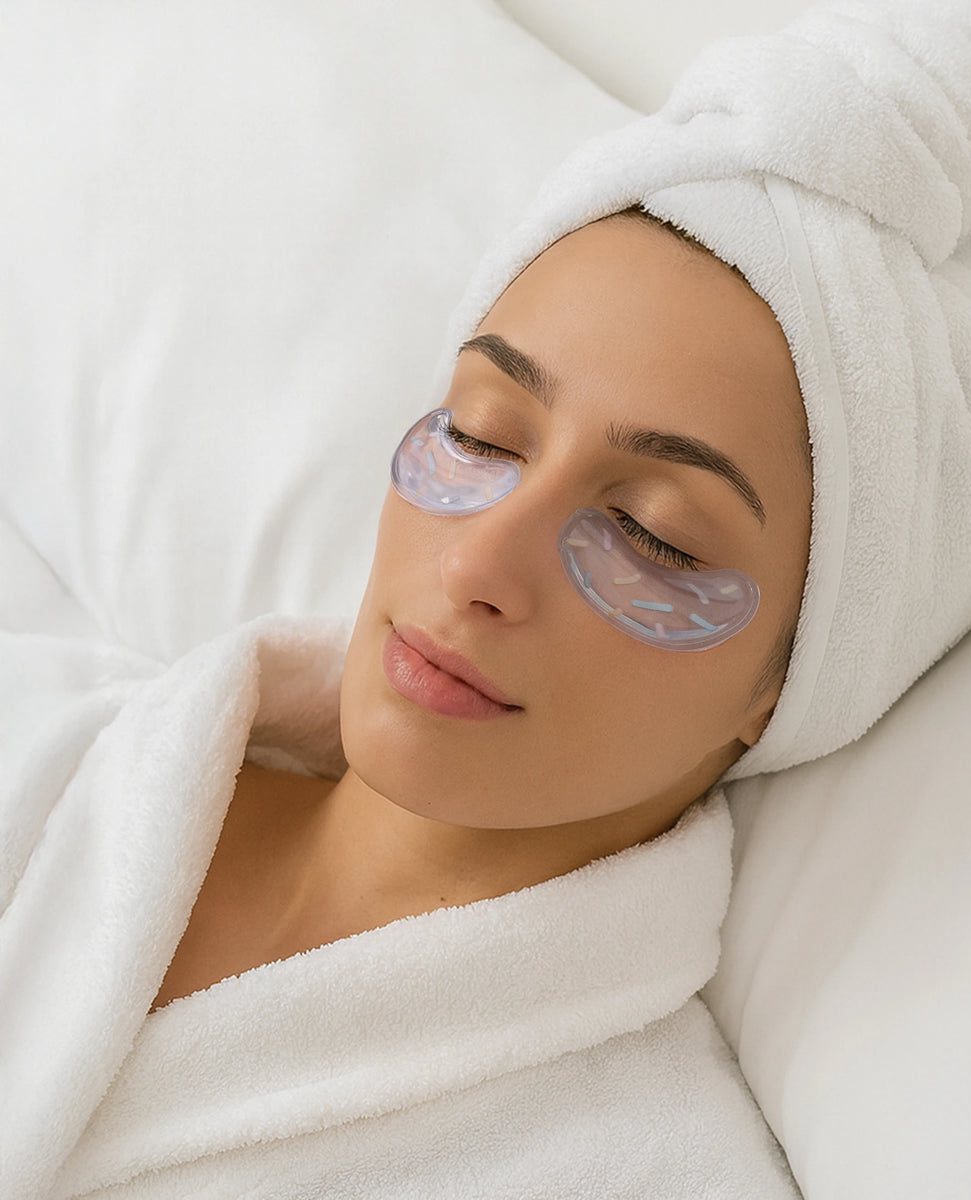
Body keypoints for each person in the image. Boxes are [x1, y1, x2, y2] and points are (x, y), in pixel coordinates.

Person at [149, 203, 812, 1014]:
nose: (474, 565)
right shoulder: (54, 768)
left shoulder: (617, 1107)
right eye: (479, 435)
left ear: (787, 681)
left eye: (650, 535)